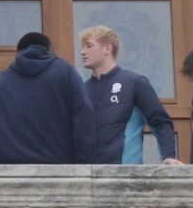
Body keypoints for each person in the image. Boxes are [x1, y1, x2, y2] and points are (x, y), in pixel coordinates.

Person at [0, 32, 93, 163]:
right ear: (49, 52)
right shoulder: (65, 72)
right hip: (59, 170)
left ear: (18, 53)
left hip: (7, 172)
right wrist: (84, 163)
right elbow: (84, 115)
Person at [77, 25, 181, 165]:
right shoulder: (83, 90)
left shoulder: (134, 82)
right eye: (83, 47)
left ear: (107, 48)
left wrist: (168, 156)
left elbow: (160, 123)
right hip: (88, 175)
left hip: (126, 174)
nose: (82, 52)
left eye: (89, 46)